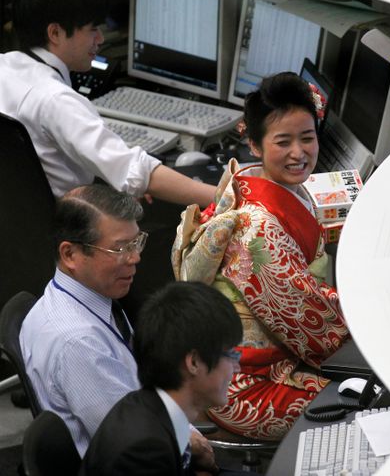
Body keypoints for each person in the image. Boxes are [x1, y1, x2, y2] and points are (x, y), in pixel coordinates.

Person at [173, 72, 350, 440]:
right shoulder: (258, 228)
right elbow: (312, 323)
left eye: (308, 138)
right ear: (254, 144)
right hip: (238, 384)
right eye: (283, 142)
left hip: (260, 356)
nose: (299, 153)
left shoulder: (250, 182)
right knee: (356, 407)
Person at [19, 185, 215, 470]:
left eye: (136, 243)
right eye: (120, 248)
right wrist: (194, 445)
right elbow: (136, 441)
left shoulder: (80, 297)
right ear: (70, 254)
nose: (135, 258)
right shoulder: (79, 343)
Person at [0, 0, 215, 206]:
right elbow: (136, 173)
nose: (100, 39)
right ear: (55, 33)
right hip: (69, 230)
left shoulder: (4, 67)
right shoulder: (56, 100)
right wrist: (229, 199)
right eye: (92, 29)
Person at [80, 281, 243, 476]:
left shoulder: (150, 405)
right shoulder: (144, 450)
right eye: (231, 355)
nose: (237, 367)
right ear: (194, 363)